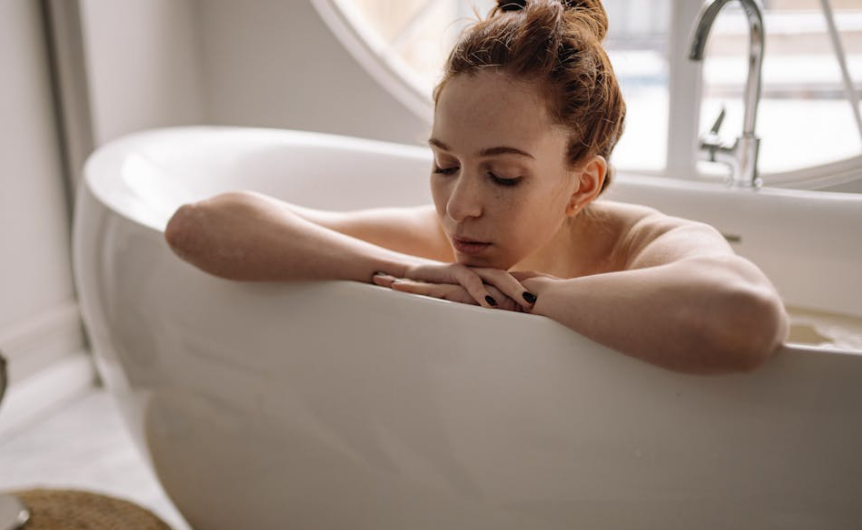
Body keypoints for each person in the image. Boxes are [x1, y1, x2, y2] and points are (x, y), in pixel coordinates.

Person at [164, 0, 788, 374]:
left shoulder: (644, 244)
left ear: (584, 184)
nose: (460, 206)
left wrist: (525, 296)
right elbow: (198, 226)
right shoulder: (439, 243)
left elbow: (744, 322)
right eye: (444, 165)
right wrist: (410, 270)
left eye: (505, 175)